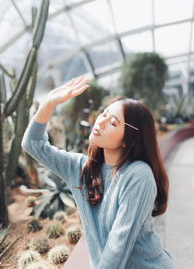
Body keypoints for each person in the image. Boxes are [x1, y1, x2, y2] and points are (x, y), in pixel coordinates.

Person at [21, 76, 175, 269]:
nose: (100, 122)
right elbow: (32, 144)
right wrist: (49, 103)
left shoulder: (138, 176)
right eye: (104, 113)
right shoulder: (80, 168)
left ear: (129, 139)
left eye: (113, 122)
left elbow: (118, 245)